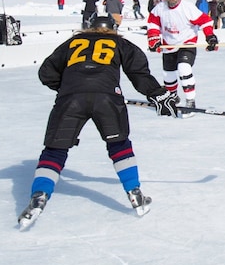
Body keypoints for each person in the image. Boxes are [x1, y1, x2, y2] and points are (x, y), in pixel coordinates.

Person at [16, 16, 179, 230]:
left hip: (70, 99)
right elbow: (139, 73)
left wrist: (68, 87)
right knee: (119, 145)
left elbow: (46, 73)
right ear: (113, 29)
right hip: (107, 98)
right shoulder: (120, 43)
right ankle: (135, 194)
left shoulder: (72, 43)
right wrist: (158, 95)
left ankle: (39, 197)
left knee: (54, 150)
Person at [146, 0, 218, 111]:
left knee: (183, 68)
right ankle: (172, 97)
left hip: (187, 42)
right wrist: (154, 40)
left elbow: (205, 21)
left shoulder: (187, 8)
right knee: (168, 75)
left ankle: (190, 100)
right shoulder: (159, 8)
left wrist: (210, 36)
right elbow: (153, 25)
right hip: (168, 45)